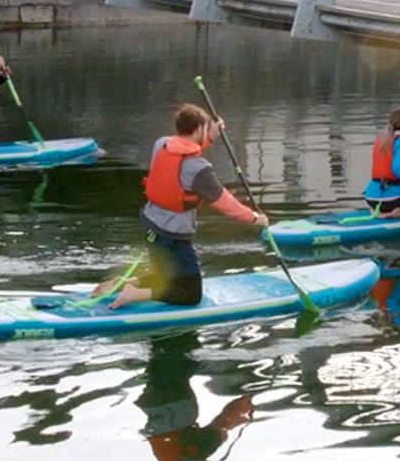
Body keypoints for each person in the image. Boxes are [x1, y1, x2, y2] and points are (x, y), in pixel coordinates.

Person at [94, 102, 269, 309]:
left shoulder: (162, 145)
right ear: (197, 130)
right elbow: (225, 202)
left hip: (152, 227)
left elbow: (187, 149)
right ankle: (135, 294)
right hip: (174, 236)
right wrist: (255, 218)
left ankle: (126, 283)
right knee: (190, 293)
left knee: (168, 277)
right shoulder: (199, 170)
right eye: (204, 129)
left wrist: (211, 134)